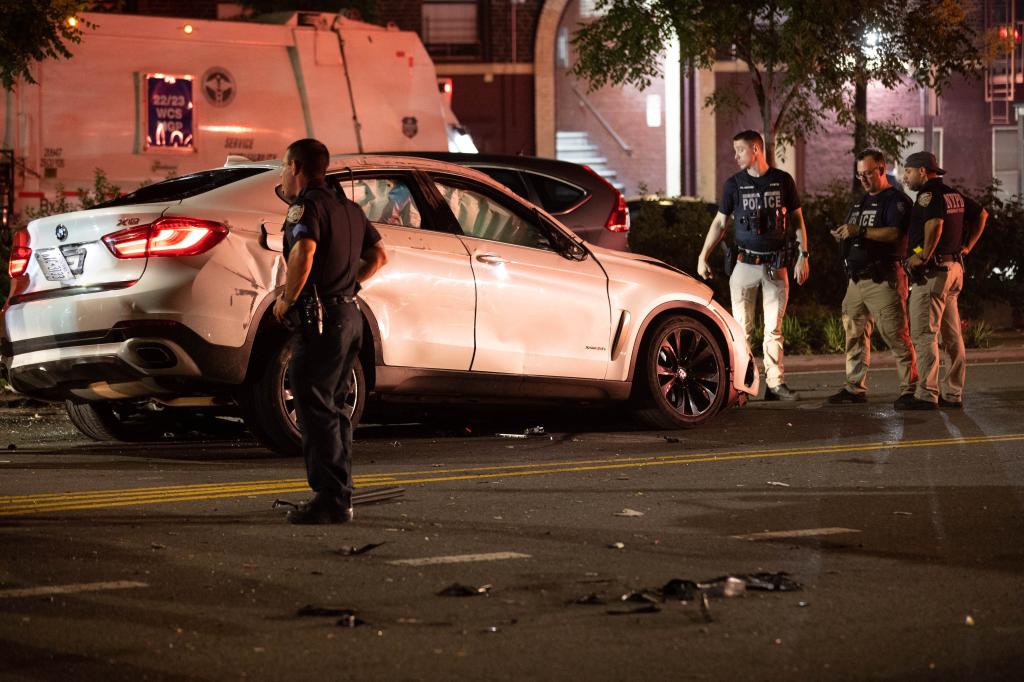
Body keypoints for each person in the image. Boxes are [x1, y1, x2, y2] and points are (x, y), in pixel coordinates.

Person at [272, 138, 387, 523]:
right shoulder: (350, 208)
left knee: (314, 404)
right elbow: (379, 255)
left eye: (284, 168)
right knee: (334, 408)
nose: (283, 176)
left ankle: (331, 499)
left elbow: (303, 251)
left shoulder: (306, 207)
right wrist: (347, 284)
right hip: (349, 316)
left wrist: (287, 299)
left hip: (321, 320)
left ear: (296, 167)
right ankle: (341, 493)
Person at [697, 130, 810, 400]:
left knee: (773, 329)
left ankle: (775, 384)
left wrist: (803, 255)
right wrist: (703, 256)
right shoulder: (733, 184)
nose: (735, 156)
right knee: (741, 329)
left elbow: (797, 221)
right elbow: (719, 223)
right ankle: (743, 386)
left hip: (776, 264)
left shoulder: (782, 181)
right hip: (744, 263)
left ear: (756, 149)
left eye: (740, 150)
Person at [828, 149, 918, 408]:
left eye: (868, 173)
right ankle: (854, 387)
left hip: (883, 277)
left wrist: (860, 230)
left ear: (882, 169)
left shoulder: (896, 201)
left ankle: (910, 389)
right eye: (860, 175)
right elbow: (854, 230)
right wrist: (844, 233)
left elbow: (894, 234)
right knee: (854, 334)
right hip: (856, 280)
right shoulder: (860, 202)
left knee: (895, 334)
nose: (864, 179)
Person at [901, 151, 987, 410]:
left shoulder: (928, 196)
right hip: (954, 269)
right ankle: (953, 393)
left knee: (924, 334)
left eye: (908, 171)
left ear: (923, 172)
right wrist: (968, 246)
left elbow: (935, 225)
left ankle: (927, 394)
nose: (905, 177)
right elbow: (982, 215)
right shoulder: (953, 194)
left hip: (934, 273)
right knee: (952, 335)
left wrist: (924, 256)